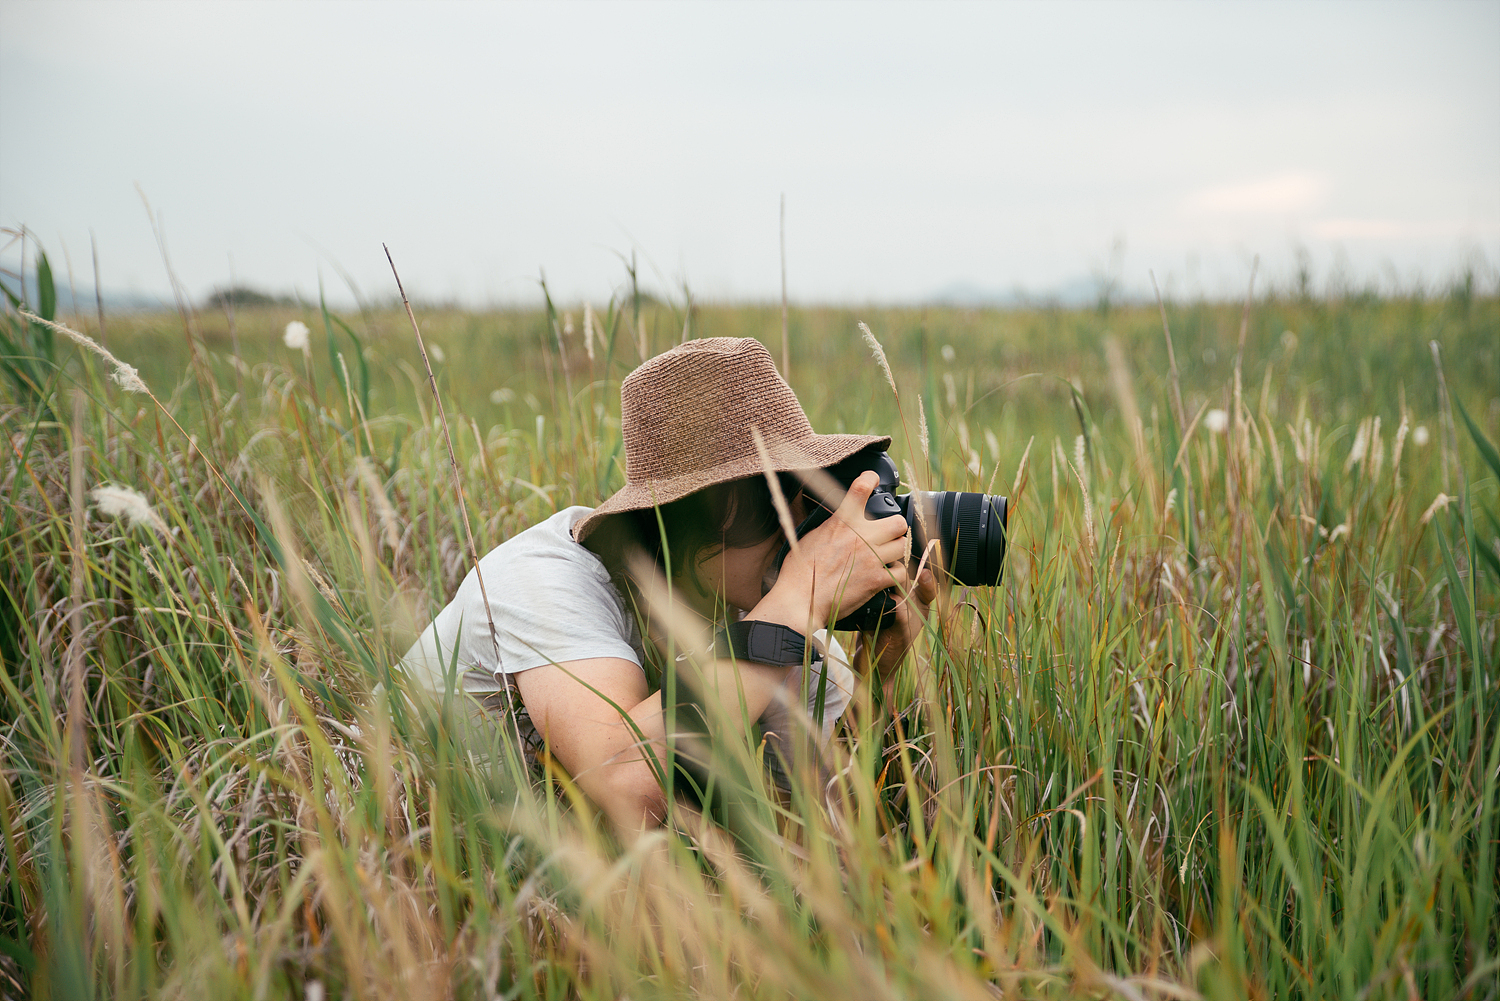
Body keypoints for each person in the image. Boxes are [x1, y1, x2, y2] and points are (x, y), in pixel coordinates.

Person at [398, 336, 936, 835]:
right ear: (696, 519)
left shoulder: (767, 610)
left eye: (809, 506)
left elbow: (810, 819)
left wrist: (880, 665)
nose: (802, 541)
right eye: (774, 511)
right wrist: (798, 602)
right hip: (372, 837)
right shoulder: (542, 579)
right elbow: (622, 792)